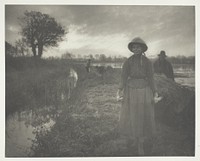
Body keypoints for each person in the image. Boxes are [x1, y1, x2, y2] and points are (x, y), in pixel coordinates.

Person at [117, 37, 158, 155]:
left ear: (142, 49)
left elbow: (151, 78)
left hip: (145, 90)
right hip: (130, 91)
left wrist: (155, 92)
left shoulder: (147, 62)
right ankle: (134, 139)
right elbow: (123, 77)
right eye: (134, 47)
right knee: (132, 115)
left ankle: (141, 143)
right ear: (131, 49)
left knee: (143, 115)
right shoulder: (127, 62)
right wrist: (119, 90)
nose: (136, 49)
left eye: (138, 47)